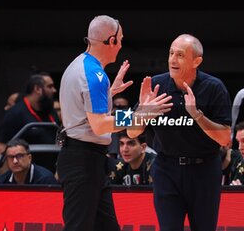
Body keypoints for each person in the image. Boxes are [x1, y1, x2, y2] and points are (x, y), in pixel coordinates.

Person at [56, 15, 172, 231]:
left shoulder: (80, 65)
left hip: (85, 158)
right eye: (119, 39)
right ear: (111, 41)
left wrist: (109, 94)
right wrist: (138, 115)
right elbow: (99, 125)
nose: (120, 45)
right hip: (83, 159)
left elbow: (84, 111)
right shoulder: (94, 74)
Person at [128, 34, 232, 231]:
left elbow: (225, 137)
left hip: (204, 170)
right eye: (171, 53)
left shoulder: (214, 87)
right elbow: (131, 132)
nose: (172, 60)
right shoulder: (156, 85)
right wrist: (143, 112)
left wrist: (197, 115)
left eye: (181, 55)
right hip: (166, 168)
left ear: (197, 61)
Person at [0, 72, 60, 174]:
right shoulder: (15, 114)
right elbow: (1, 147)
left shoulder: (51, 112)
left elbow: (60, 141)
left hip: (51, 176)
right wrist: (7, 181)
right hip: (25, 178)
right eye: (50, 86)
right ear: (37, 89)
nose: (54, 90)